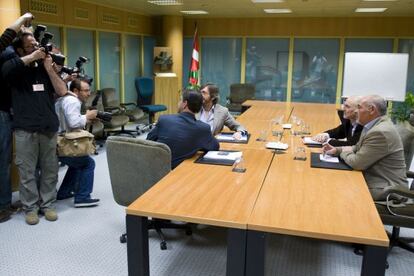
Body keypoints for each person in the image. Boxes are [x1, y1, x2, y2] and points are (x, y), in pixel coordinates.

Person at [2, 30, 67, 225]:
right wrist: (32, 56)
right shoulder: (13, 69)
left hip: (48, 126)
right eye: (30, 46)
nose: (37, 49)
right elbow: (5, 71)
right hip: (24, 128)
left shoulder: (45, 67)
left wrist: (49, 68)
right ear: (20, 50)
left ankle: (47, 205)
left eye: (37, 45)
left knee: (50, 169)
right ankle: (30, 207)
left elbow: (62, 90)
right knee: (27, 171)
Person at [323, 95, 408, 201]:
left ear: (371, 109)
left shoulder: (380, 132)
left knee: (337, 190)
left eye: (359, 107)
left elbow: (357, 163)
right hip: (376, 180)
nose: (356, 111)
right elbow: (357, 147)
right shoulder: (372, 125)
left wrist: (342, 153)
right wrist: (337, 150)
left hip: (387, 189)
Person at [0, 13, 34, 223]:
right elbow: (7, 35)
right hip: (1, 113)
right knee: (2, 162)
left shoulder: (10, 56)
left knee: (5, 161)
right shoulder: (7, 55)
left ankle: (4, 202)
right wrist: (23, 19)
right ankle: (2, 207)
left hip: (8, 112)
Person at [147, 88, 219, 169]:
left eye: (180, 100)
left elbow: (149, 141)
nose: (178, 103)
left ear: (185, 104)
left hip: (155, 169)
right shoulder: (203, 128)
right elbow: (215, 147)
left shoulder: (164, 119)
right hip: (182, 172)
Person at [55, 79, 100, 207]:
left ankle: (64, 192)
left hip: (58, 139)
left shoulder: (63, 99)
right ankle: (82, 197)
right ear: (76, 91)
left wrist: (85, 119)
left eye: (89, 90)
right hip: (63, 142)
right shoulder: (73, 101)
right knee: (88, 163)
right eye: (85, 91)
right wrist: (87, 116)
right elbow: (73, 123)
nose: (88, 93)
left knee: (76, 164)